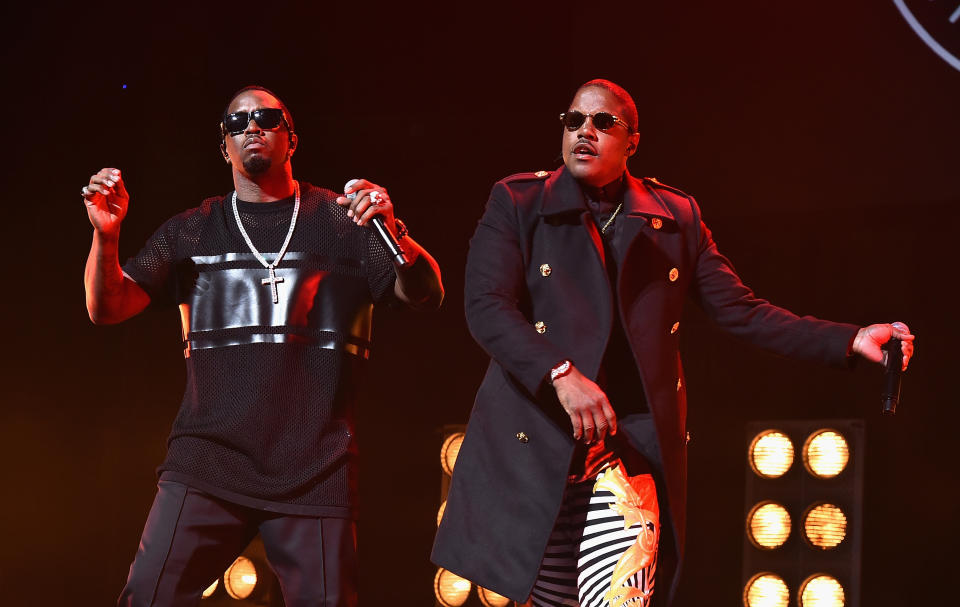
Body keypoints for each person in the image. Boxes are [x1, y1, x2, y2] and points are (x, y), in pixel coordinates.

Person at [431, 79, 914, 607]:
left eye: (602, 122)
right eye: (573, 121)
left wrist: (850, 339)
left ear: (632, 141)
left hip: (626, 456)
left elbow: (741, 310)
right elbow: (486, 307)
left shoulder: (674, 217)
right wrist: (560, 374)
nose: (584, 132)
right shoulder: (518, 201)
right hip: (535, 449)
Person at [82, 85, 443, 607]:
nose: (251, 126)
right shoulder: (191, 231)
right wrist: (106, 237)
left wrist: (394, 233)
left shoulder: (343, 220)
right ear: (223, 147)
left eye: (267, 118)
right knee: (147, 596)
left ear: (291, 139)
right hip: (208, 462)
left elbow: (425, 295)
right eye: (237, 122)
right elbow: (107, 307)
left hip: (314, 468)